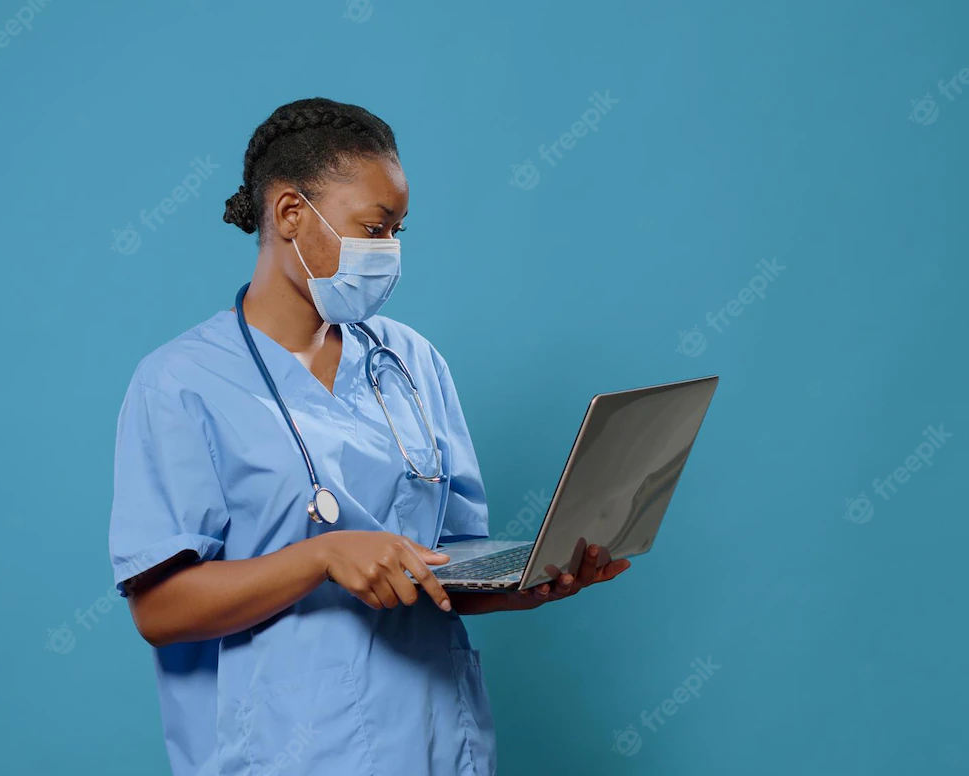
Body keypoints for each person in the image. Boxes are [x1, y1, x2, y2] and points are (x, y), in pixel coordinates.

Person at [108, 97, 630, 776]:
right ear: (291, 214)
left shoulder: (411, 361)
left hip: (437, 739)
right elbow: (159, 609)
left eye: (398, 231)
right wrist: (320, 558)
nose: (389, 252)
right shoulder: (181, 384)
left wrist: (524, 583)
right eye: (374, 229)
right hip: (288, 749)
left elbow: (445, 562)